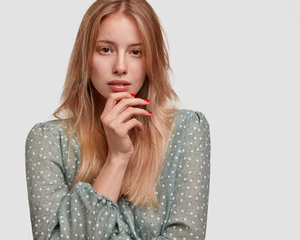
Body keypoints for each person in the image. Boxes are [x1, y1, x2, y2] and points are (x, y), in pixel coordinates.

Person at [25, 0, 211, 239]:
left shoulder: (187, 131)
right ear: (86, 56)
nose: (120, 67)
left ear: (151, 60)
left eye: (136, 52)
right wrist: (117, 158)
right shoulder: (48, 142)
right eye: (106, 49)